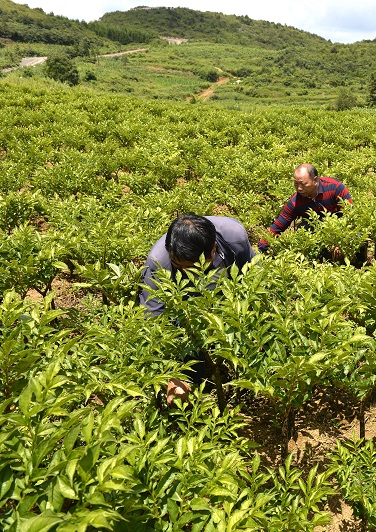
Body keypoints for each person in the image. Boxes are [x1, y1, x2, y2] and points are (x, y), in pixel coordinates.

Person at [140, 214, 254, 404]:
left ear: (213, 250)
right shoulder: (158, 262)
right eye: (179, 266)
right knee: (194, 364)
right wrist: (172, 373)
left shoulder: (234, 237)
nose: (187, 273)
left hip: (222, 295)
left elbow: (251, 274)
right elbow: (154, 320)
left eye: (194, 267)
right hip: (185, 307)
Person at [258, 163, 352, 260]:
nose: (299, 188)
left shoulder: (335, 188)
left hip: (340, 229)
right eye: (296, 184)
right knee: (304, 228)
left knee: (358, 234)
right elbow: (278, 225)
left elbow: (350, 216)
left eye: (303, 184)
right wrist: (260, 249)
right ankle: (321, 260)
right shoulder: (296, 202)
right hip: (317, 234)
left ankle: (358, 264)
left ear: (315, 180)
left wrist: (341, 241)